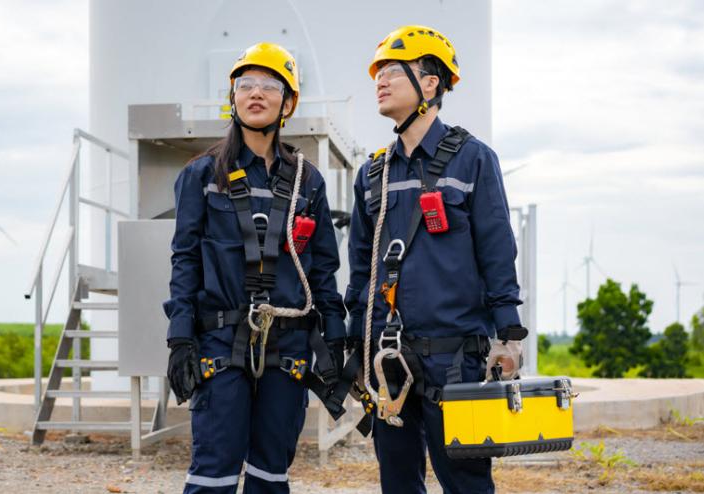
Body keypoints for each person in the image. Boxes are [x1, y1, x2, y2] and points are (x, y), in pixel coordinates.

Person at [344, 25, 529, 493]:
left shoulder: (473, 160)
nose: (379, 82)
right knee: (399, 483)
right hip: (389, 358)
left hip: (455, 357)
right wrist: (352, 341)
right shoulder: (373, 174)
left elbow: (497, 249)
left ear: (430, 84)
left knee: (466, 483)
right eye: (377, 74)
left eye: (391, 72)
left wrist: (508, 333)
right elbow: (362, 267)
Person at [163, 42, 346, 493]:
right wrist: (180, 337)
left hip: (289, 347)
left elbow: (322, 267)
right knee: (213, 474)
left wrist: (336, 336)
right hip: (222, 342)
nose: (256, 93)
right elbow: (184, 259)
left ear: (288, 103)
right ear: (233, 98)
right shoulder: (202, 176)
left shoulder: (309, 181)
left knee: (270, 474)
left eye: (270, 86)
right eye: (246, 85)